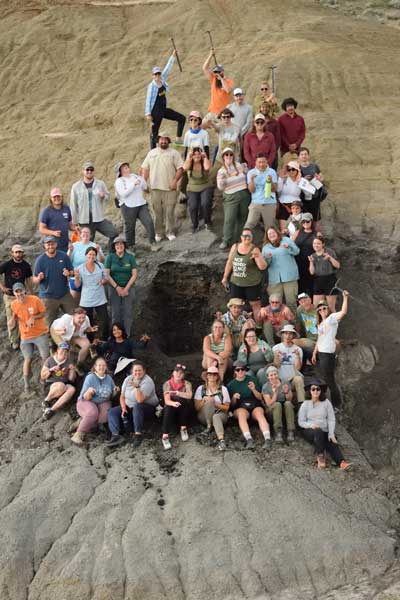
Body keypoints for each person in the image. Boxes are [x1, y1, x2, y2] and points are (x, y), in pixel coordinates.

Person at [298, 379, 352, 470]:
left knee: (331, 441)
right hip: (310, 431)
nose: (315, 391)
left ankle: (341, 462)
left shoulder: (326, 403)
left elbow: (331, 419)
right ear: (310, 391)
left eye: (318, 389)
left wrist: (331, 433)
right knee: (318, 431)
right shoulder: (305, 404)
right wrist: (311, 425)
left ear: (321, 390)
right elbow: (301, 422)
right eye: (313, 389)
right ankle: (320, 456)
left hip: (324, 430)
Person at [141, 132, 184, 241]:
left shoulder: (174, 153)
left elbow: (180, 168)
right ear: (158, 140)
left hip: (170, 188)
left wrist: (175, 181)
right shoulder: (151, 153)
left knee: (169, 212)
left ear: (169, 141)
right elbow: (145, 168)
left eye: (166, 139)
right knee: (157, 212)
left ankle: (170, 232)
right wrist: (143, 183)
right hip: (155, 188)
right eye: (161, 139)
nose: (163, 141)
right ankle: (159, 233)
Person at [106, 361, 159, 448]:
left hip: (147, 408)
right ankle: (116, 435)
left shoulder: (147, 381)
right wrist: (123, 408)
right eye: (135, 371)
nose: (137, 373)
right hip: (129, 407)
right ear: (132, 371)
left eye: (139, 370)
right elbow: (122, 396)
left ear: (144, 371)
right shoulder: (128, 379)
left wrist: (137, 387)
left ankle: (138, 435)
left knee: (137, 406)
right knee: (112, 411)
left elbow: (140, 400)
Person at [311, 290, 350, 409]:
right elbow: (319, 339)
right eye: (320, 309)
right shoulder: (320, 323)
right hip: (322, 353)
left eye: (324, 308)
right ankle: (332, 402)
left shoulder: (332, 318)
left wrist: (345, 298)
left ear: (328, 309)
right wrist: (314, 353)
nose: (322, 310)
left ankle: (337, 405)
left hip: (328, 354)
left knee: (330, 380)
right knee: (327, 378)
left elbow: (343, 312)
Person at [9, 282, 49, 391]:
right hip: (25, 335)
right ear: (14, 293)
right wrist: (12, 320)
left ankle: (42, 379)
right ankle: (26, 384)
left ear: (24, 290)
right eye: (16, 292)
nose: (19, 293)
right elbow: (15, 315)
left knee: (45, 357)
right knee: (27, 358)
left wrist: (34, 318)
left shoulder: (35, 299)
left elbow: (44, 313)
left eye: (20, 290)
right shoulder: (13, 304)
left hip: (40, 333)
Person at [221, 228, 267, 322]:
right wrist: (225, 277)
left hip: (252, 284)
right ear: (241, 237)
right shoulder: (235, 246)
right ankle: (236, 327)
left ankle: (258, 328)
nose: (247, 237)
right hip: (236, 283)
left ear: (252, 237)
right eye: (245, 235)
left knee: (255, 305)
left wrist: (258, 257)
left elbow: (262, 267)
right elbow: (230, 262)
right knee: (235, 306)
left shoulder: (255, 249)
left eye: (249, 236)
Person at [70, 161, 117, 250]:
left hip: (98, 218)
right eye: (87, 169)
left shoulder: (100, 183)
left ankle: (110, 255)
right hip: (84, 221)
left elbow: (108, 197)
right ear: (83, 171)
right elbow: (73, 205)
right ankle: (85, 261)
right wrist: (75, 223)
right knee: (86, 243)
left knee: (114, 233)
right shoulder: (76, 186)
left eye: (91, 169)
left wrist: (104, 196)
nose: (89, 171)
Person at [71, 357, 118, 446]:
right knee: (93, 413)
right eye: (99, 365)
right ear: (95, 367)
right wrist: (89, 392)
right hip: (86, 402)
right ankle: (78, 434)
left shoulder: (109, 379)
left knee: (104, 417)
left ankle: (82, 421)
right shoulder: (90, 377)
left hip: (103, 402)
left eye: (104, 365)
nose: (101, 367)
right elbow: (85, 397)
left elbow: (111, 396)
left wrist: (115, 391)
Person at [145, 51, 185, 149]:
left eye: (159, 74)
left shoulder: (162, 79)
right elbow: (148, 100)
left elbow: (168, 68)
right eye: (156, 74)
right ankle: (153, 152)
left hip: (163, 110)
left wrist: (173, 56)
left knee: (181, 118)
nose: (158, 76)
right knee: (154, 134)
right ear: (152, 76)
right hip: (155, 112)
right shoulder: (151, 86)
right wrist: (148, 114)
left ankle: (178, 140)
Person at [32, 236, 76, 327]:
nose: (50, 246)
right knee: (49, 324)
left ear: (56, 244)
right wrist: (39, 278)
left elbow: (73, 272)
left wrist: (69, 273)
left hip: (64, 294)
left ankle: (73, 339)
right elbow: (34, 280)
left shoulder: (63, 256)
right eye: (48, 244)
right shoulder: (40, 260)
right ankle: (51, 341)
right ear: (44, 246)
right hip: (48, 297)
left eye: (52, 244)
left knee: (75, 316)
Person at [228, 360, 271, 449]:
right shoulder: (231, 385)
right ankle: (249, 439)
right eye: (238, 370)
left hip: (254, 404)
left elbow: (260, 397)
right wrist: (234, 398)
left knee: (259, 414)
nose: (240, 371)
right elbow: (231, 406)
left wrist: (253, 389)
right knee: (241, 414)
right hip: (240, 406)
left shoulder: (253, 380)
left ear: (246, 370)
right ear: (234, 371)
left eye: (242, 369)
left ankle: (267, 439)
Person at [114, 161, 157, 250]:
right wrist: (133, 184)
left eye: (127, 167)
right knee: (130, 226)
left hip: (141, 204)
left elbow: (144, 187)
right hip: (127, 206)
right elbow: (123, 194)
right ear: (120, 171)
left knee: (149, 222)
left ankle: (153, 242)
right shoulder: (119, 181)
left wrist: (141, 178)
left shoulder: (135, 176)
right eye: (124, 168)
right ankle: (130, 246)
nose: (127, 168)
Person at [0, 244, 33, 349]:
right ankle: (14, 340)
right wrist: (2, 287)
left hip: (22, 296)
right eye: (16, 252)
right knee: (11, 318)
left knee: (25, 317)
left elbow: (28, 280)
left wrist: (31, 293)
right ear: (12, 253)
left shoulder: (26, 265)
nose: (18, 254)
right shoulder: (7, 265)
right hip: (10, 296)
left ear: (22, 253)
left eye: (20, 252)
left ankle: (26, 337)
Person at [217, 148, 250, 249]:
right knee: (229, 219)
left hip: (243, 193)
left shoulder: (239, 165)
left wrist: (246, 169)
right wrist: (225, 178)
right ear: (223, 157)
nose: (229, 157)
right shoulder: (221, 170)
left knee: (243, 217)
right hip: (231, 195)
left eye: (231, 154)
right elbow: (220, 187)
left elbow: (247, 175)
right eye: (226, 155)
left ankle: (239, 239)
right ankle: (226, 240)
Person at [262, 226, 300, 314]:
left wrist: (289, 248)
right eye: (269, 233)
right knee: (275, 303)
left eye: (273, 232)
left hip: (289, 277)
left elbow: (297, 251)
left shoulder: (286, 240)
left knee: (291, 302)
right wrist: (267, 259)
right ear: (267, 236)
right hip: (274, 279)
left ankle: (293, 324)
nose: (272, 235)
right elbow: (264, 264)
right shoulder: (265, 248)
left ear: (277, 232)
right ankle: (277, 325)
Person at [74, 247, 109, 340]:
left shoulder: (101, 265)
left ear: (96, 256)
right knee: (87, 322)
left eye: (93, 254)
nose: (91, 256)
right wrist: (77, 277)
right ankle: (91, 342)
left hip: (100, 298)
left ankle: (104, 339)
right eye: (89, 254)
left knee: (105, 321)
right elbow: (77, 285)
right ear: (86, 255)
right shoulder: (80, 268)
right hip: (86, 300)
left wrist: (103, 281)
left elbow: (106, 280)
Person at [104, 236, 137, 335]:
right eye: (117, 244)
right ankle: (115, 336)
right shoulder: (110, 257)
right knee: (115, 313)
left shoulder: (130, 257)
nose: (119, 246)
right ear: (114, 246)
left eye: (121, 244)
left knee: (127, 312)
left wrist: (126, 288)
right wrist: (117, 287)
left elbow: (134, 274)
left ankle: (127, 335)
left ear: (124, 245)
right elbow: (107, 274)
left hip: (128, 288)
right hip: (114, 288)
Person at [194, 366, 230, 451]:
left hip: (220, 414)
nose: (212, 376)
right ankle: (209, 426)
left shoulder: (223, 389)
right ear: (207, 376)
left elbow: (227, 408)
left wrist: (215, 404)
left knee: (216, 416)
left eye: (214, 374)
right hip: (204, 415)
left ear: (217, 376)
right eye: (210, 374)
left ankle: (221, 440)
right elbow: (196, 408)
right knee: (209, 402)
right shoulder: (201, 389)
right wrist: (204, 400)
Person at [40, 342, 76, 420]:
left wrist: (72, 370)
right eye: (62, 350)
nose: (64, 352)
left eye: (66, 351)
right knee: (61, 386)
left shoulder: (69, 361)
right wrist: (51, 370)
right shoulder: (50, 360)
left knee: (72, 389)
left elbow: (71, 379)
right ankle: (46, 401)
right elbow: (42, 376)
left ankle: (51, 410)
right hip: (51, 385)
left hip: (64, 383)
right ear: (58, 350)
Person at [161, 364, 193, 450]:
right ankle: (165, 435)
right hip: (171, 408)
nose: (178, 374)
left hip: (183, 409)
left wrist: (178, 393)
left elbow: (189, 396)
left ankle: (183, 428)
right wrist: (173, 403)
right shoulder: (167, 384)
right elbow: (167, 400)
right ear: (173, 373)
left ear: (184, 375)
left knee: (183, 401)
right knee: (168, 407)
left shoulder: (187, 383)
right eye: (176, 372)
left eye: (181, 373)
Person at [262, 365, 295, 443]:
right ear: (268, 377)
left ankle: (291, 431)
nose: (274, 377)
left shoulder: (285, 382)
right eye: (271, 375)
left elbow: (290, 399)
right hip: (272, 410)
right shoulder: (266, 387)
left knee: (288, 403)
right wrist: (275, 393)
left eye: (275, 374)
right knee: (277, 405)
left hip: (285, 408)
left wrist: (286, 392)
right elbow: (269, 403)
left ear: (278, 374)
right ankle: (278, 432)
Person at [245, 153, 278, 232]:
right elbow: (251, 190)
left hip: (269, 202)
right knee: (249, 225)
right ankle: (245, 242)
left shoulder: (272, 172)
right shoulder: (251, 172)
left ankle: (268, 243)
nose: (261, 164)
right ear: (256, 163)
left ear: (267, 162)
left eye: (263, 162)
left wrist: (270, 181)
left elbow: (274, 189)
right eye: (259, 162)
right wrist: (252, 180)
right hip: (256, 202)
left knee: (270, 228)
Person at [273, 323, 305, 403]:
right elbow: (276, 366)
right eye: (286, 333)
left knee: (299, 379)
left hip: (292, 378)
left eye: (290, 333)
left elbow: (298, 368)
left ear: (293, 335)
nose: (288, 336)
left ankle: (302, 405)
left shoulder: (298, 349)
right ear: (282, 335)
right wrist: (276, 356)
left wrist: (297, 356)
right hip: (280, 379)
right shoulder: (276, 348)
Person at [182, 147, 212, 232]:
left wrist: (205, 157)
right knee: (193, 206)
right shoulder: (189, 162)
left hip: (205, 186)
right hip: (192, 188)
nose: (197, 156)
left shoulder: (204, 161)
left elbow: (207, 168)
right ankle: (195, 224)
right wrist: (189, 157)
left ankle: (207, 222)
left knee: (205, 203)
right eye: (194, 154)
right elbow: (184, 168)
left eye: (198, 154)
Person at [39, 187, 76, 253]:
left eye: (58, 196)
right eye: (54, 197)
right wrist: (53, 233)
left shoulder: (66, 208)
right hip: (52, 246)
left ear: (62, 197)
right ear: (51, 198)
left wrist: (76, 228)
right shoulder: (47, 211)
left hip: (65, 244)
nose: (57, 198)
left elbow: (69, 225)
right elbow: (41, 229)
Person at [309, 237, 341, 312]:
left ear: (323, 244)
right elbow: (312, 272)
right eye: (314, 243)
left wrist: (330, 258)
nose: (316, 245)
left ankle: (334, 323)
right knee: (316, 307)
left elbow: (338, 265)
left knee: (331, 307)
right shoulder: (313, 255)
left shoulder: (329, 252)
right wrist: (311, 262)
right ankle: (319, 323)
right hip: (318, 281)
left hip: (330, 280)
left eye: (318, 243)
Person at [298, 146, 324, 225]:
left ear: (308, 156)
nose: (304, 156)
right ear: (299, 156)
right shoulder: (297, 167)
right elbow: (295, 181)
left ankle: (316, 235)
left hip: (314, 195)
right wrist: (303, 179)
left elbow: (322, 177)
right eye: (302, 154)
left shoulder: (314, 166)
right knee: (304, 217)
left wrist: (319, 178)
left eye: (305, 154)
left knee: (316, 217)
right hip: (302, 196)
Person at [294, 212, 318, 297]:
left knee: (312, 285)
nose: (305, 223)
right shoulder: (297, 232)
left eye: (307, 221)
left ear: (311, 221)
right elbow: (291, 245)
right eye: (303, 222)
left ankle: (312, 306)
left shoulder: (317, 234)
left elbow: (322, 248)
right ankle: (300, 308)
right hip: (299, 262)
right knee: (300, 286)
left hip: (312, 262)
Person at [277, 161, 302, 231]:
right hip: (284, 205)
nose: (291, 171)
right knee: (284, 229)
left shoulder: (301, 181)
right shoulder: (284, 179)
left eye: (293, 169)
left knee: (296, 229)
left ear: (297, 170)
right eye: (289, 169)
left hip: (297, 206)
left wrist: (308, 184)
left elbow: (308, 195)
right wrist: (280, 179)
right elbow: (278, 189)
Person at [295, 292, 318, 360]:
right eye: (301, 302)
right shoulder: (300, 309)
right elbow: (298, 323)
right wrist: (298, 335)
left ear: (310, 299)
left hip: (319, 340)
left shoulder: (318, 310)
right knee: (294, 341)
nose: (304, 303)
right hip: (310, 340)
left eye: (305, 300)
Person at [260, 102, 281, 170]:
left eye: (266, 107)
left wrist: (274, 150)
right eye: (263, 107)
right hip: (260, 151)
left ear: (269, 109)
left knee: (272, 171)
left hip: (272, 151)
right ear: (260, 109)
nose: (264, 109)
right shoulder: (257, 122)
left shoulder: (274, 122)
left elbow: (278, 138)